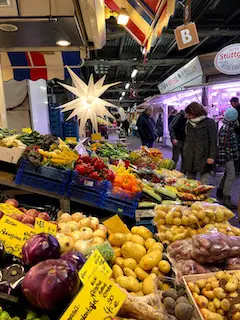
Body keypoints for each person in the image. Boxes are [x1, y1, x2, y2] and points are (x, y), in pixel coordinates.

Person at [183, 102, 217, 185]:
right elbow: (187, 138)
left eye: (189, 114)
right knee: (189, 183)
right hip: (190, 155)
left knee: (204, 183)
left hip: (204, 156)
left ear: (195, 113)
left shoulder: (209, 123)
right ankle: (190, 198)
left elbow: (213, 141)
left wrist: (211, 156)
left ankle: (204, 197)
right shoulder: (188, 123)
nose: (188, 116)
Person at [217, 108, 239, 209]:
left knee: (227, 173)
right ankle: (226, 198)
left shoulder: (225, 126)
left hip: (227, 155)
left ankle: (220, 191)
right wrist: (234, 154)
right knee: (231, 175)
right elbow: (223, 145)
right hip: (227, 156)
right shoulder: (227, 128)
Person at [230, 97, 240, 174]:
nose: (231, 105)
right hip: (237, 132)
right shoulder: (235, 110)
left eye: (232, 103)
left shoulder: (236, 110)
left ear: (236, 102)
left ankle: (237, 169)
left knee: (237, 150)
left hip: (238, 132)